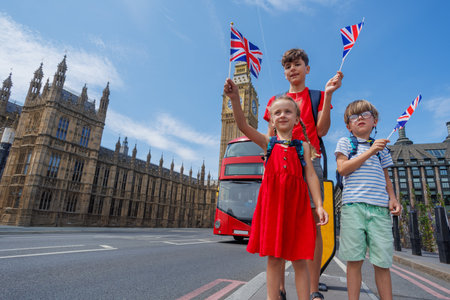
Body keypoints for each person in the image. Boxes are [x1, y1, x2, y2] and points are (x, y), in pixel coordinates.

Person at [224, 78, 328, 300]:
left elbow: (310, 175)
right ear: (271, 118)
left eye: (288, 112)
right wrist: (234, 99)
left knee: (300, 259)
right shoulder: (267, 143)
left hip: (298, 207)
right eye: (277, 112)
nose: (282, 115)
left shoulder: (304, 147)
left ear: (297, 119)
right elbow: (242, 125)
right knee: (274, 258)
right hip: (273, 207)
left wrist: (318, 205)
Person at [264, 48, 343, 300]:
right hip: (281, 164)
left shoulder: (317, 96)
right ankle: (279, 287)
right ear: (284, 72)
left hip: (310, 161)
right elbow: (269, 135)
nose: (292, 69)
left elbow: (322, 130)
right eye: (288, 66)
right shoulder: (277, 100)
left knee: (311, 226)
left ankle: (313, 288)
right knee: (279, 223)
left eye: (297, 64)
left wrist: (329, 95)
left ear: (306, 69)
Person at [335, 100, 401, 300]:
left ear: (375, 121)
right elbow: (342, 168)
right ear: (348, 125)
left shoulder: (383, 149)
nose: (360, 118)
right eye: (354, 116)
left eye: (365, 114)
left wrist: (393, 198)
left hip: (380, 209)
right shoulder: (346, 143)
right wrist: (371, 151)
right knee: (354, 261)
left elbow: (386, 178)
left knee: (382, 262)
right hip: (353, 207)